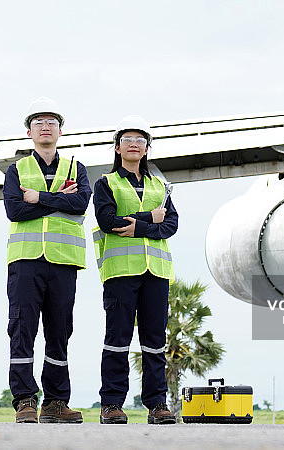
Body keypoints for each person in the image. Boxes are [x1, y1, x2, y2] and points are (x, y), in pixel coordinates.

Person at [2, 97, 91, 424]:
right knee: (22, 328)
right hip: (25, 260)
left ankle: (55, 403)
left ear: (60, 131)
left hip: (64, 261)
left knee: (59, 331)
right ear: (29, 132)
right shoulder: (17, 170)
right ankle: (24, 399)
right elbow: (15, 209)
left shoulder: (76, 168)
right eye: (38, 122)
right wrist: (58, 200)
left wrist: (37, 197)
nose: (45, 126)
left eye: (51, 121)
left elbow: (80, 204)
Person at [92, 115, 178, 425]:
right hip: (120, 271)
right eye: (127, 140)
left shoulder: (160, 185)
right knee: (117, 338)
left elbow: (171, 224)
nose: (133, 144)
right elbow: (108, 221)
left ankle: (157, 404)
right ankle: (111, 404)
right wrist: (149, 219)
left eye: (139, 141)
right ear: (117, 148)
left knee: (155, 340)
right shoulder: (105, 183)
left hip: (156, 271)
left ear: (146, 149)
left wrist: (138, 226)